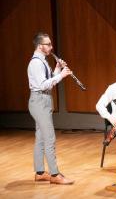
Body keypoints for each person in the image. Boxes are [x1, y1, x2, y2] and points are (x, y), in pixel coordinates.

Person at [27, 32, 74, 184]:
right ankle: (55, 175)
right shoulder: (35, 63)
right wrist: (62, 76)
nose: (51, 47)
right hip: (39, 100)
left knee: (41, 137)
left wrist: (58, 68)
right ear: (40, 46)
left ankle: (40, 172)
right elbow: (43, 85)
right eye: (48, 44)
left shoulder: (43, 61)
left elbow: (49, 79)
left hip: (44, 99)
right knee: (49, 138)